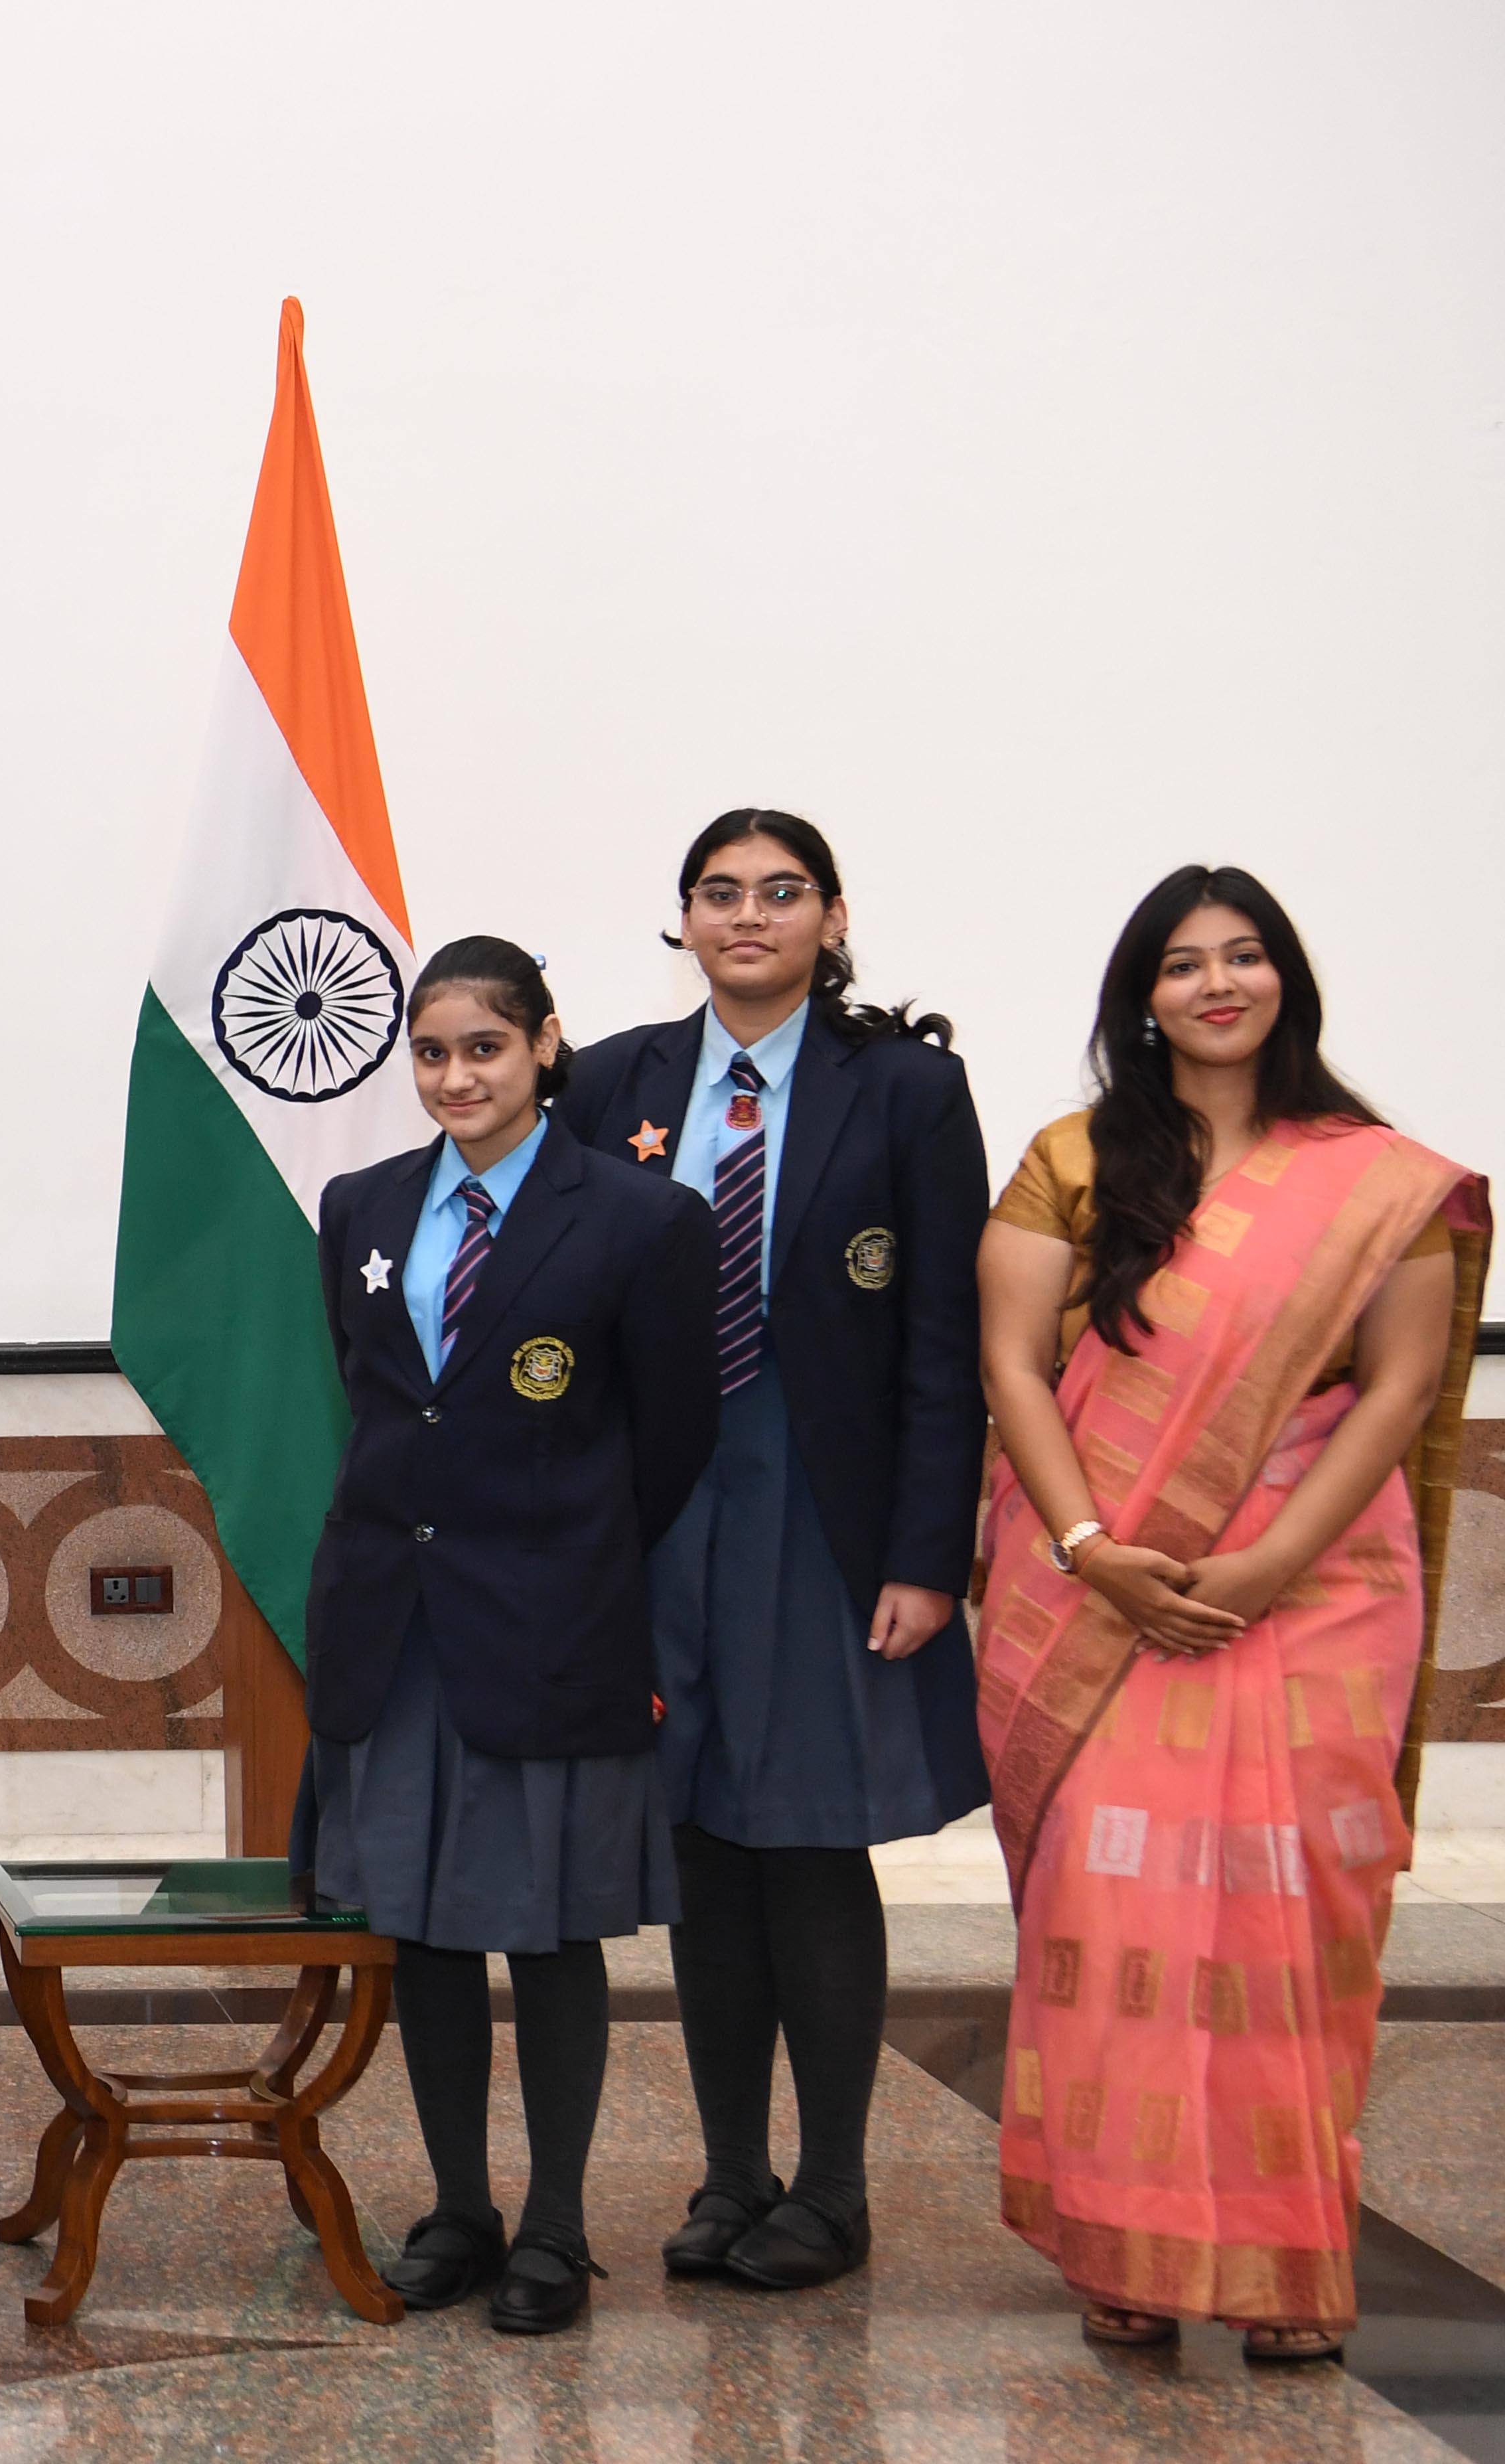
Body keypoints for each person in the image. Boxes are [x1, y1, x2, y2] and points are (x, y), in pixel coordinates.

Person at [975, 866, 1483, 2364]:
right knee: (1110, 1905)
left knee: (1290, 1919)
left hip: (1317, 1592)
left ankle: (1282, 2261)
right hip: (1105, 1588)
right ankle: (1120, 2245)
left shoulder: (1380, 1176)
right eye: (1186, 962)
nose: (1218, 983)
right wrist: (1091, 1548)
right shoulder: (1077, 1159)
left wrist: (1268, 1567)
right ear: (1145, 995)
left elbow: (1399, 1385)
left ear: (1285, 980)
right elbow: (1011, 1362)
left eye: (1245, 955)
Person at [557, 809, 993, 2291]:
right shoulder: (612, 1081)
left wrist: (927, 1552)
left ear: (832, 915)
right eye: (720, 892)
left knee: (806, 1835)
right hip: (663, 1509)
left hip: (822, 1508)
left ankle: (835, 2186)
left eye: (782, 891)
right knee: (698, 1839)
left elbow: (945, 1336)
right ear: (683, 918)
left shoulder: (908, 1089)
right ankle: (733, 2172)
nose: (749, 914)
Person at [301, 937, 719, 2337]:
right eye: (431, 1053)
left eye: (484, 1047)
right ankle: (460, 2210)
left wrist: (565, 1549)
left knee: (545, 1932)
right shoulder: (359, 1204)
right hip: (395, 1626)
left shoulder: (643, 1218)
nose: (456, 1076)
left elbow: (672, 1436)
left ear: (545, 1044)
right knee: (424, 1928)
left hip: (549, 1622)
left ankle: (554, 2227)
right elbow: (376, 1400)